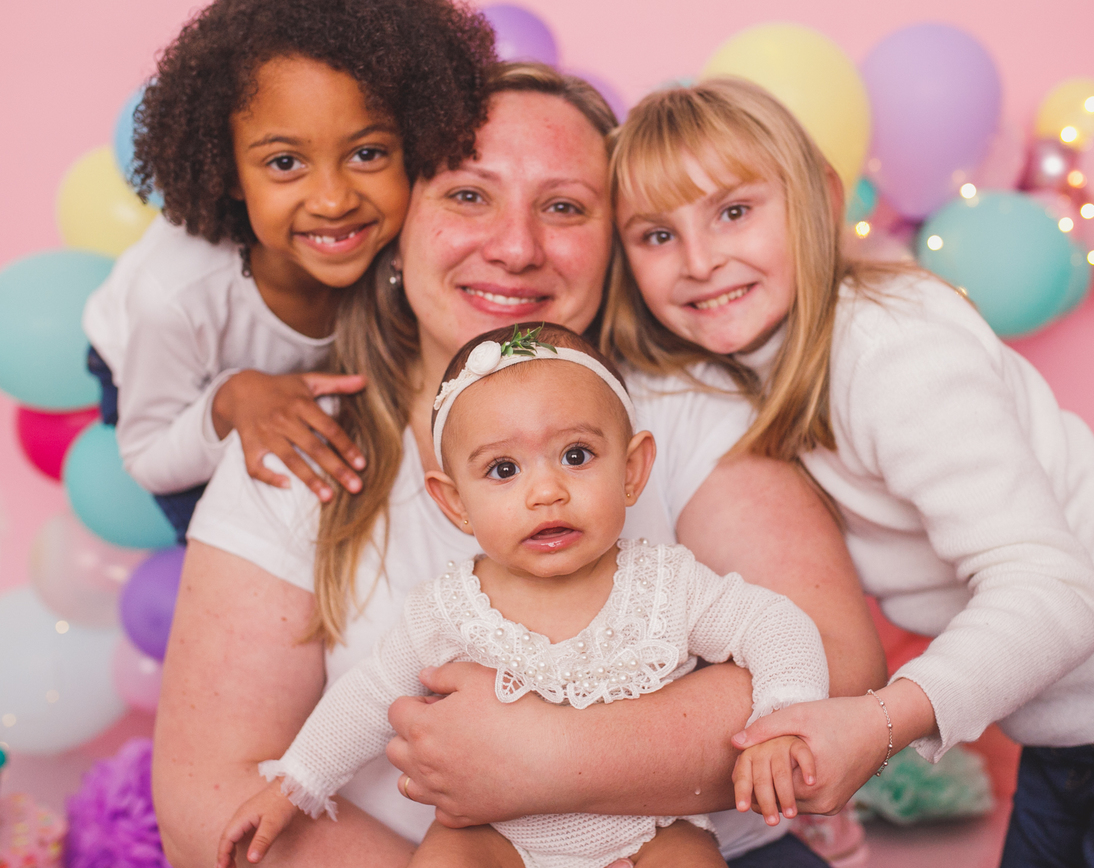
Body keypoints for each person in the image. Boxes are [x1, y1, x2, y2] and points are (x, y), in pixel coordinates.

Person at [154, 64, 885, 868]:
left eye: (565, 207)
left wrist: (549, 759)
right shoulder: (299, 450)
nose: (515, 247)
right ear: (399, 227)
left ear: (613, 246)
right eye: (469, 195)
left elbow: (837, 665)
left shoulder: (687, 412)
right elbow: (207, 795)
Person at [605, 77, 1094, 866]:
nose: (701, 261)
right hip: (1072, 723)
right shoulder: (753, 365)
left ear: (817, 199)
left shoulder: (890, 350)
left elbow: (1056, 590)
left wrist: (879, 724)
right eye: (655, 236)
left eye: (734, 212)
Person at [216, 323, 831, 868]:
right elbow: (373, 692)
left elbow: (775, 624)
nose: (546, 492)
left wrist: (782, 718)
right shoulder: (449, 608)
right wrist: (295, 783)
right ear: (455, 501)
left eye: (576, 455)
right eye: (503, 470)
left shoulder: (666, 585)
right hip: (493, 837)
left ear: (633, 469)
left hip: (647, 829)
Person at [82, 0, 493, 541]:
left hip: (294, 358)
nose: (332, 200)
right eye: (284, 163)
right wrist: (232, 399)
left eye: (367, 153)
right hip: (164, 373)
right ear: (229, 172)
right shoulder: (171, 299)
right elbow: (146, 455)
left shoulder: (409, 240)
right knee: (237, 528)